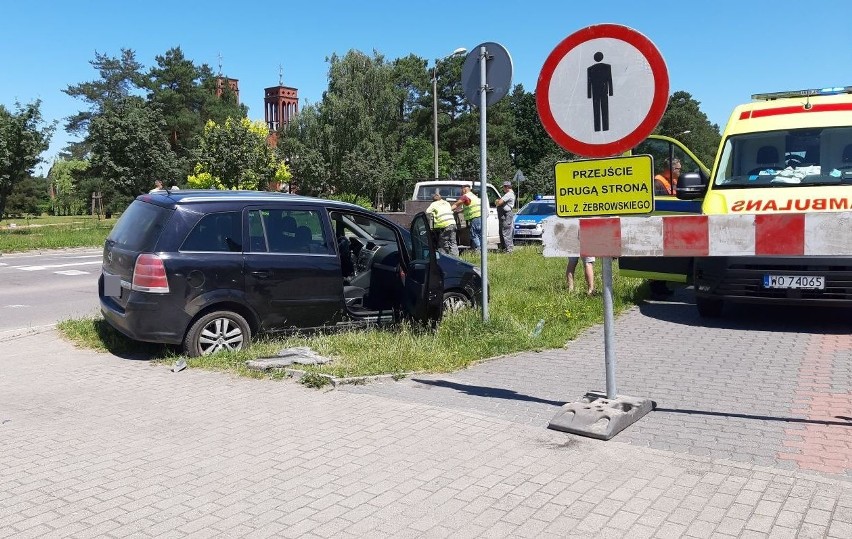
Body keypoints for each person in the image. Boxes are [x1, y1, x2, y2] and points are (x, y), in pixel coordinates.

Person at [425, 190, 459, 256]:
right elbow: (450, 211)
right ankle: (456, 258)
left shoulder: (434, 204)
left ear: (433, 200)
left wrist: (433, 213)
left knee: (443, 242)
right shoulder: (447, 203)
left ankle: (444, 257)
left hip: (445, 225)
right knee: (453, 242)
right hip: (453, 223)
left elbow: (427, 211)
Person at [451, 184, 482, 252]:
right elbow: (470, 205)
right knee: (479, 235)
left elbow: (456, 204)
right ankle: (482, 251)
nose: (461, 192)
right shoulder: (473, 196)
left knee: (474, 234)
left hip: (475, 217)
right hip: (480, 217)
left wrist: (448, 210)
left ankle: (478, 250)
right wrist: (460, 210)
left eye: (461, 190)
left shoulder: (465, 196)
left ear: (464, 189)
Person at [495, 180, 516, 253]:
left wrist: (497, 201)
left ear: (507, 187)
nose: (503, 189)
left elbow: (499, 202)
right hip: (504, 215)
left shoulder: (509, 194)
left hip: (506, 215)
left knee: (506, 232)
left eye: (503, 188)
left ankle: (509, 250)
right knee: (503, 231)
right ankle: (504, 248)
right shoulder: (509, 194)